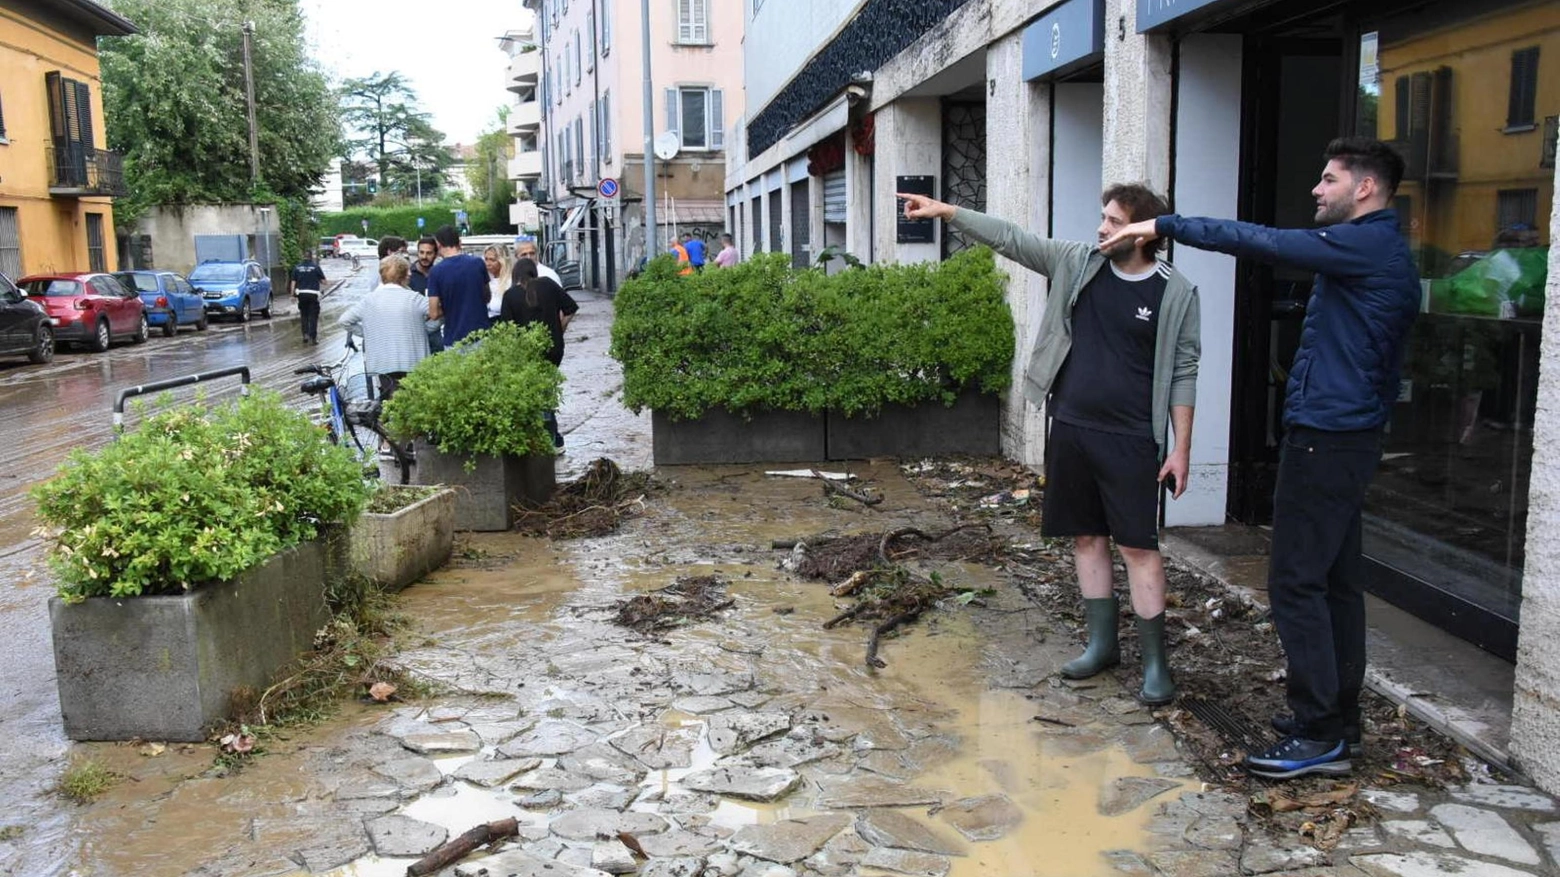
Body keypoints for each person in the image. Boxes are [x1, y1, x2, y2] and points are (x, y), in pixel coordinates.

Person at [1101, 137, 1420, 780]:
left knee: (1296, 582)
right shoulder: (1371, 250)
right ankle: (1340, 722)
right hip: (1344, 434)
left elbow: (1266, 243)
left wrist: (1164, 224)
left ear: (1364, 188)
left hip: (1328, 436)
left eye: (1328, 179)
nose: (1316, 189)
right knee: (1334, 582)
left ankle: (1318, 733)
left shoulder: (1366, 245)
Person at [899, 184, 1201, 708]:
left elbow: (1185, 371)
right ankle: (1102, 644)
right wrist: (948, 212)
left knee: (1138, 547)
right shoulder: (1078, 263)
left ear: (1144, 232)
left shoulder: (1176, 293)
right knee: (1086, 537)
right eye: (1102, 217)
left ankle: (1156, 662)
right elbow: (1015, 240)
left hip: (1133, 438)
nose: (1102, 228)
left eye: (1114, 221)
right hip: (1072, 426)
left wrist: (1181, 449)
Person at [498, 257, 579, 449]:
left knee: (532, 395)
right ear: (534, 272)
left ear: (515, 275)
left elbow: (506, 331)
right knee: (547, 392)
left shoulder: (510, 296)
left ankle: (542, 439)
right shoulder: (548, 285)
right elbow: (571, 309)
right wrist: (560, 328)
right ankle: (553, 437)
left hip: (525, 353)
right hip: (554, 349)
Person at [337, 255, 430, 402]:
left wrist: (368, 333)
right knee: (414, 401)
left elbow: (344, 321)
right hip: (413, 360)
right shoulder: (414, 298)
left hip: (382, 363)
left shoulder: (369, 300)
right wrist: (425, 329)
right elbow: (438, 314)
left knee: (389, 400)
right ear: (405, 275)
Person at [426, 225, 491, 347]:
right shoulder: (477, 263)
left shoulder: (436, 272)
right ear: (459, 242)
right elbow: (487, 296)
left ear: (438, 244)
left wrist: (447, 306)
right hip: (481, 335)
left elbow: (433, 313)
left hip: (454, 338)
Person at [408, 235, 443, 353]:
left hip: (435, 330)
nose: (424, 256)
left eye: (429, 253)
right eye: (421, 252)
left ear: (436, 254)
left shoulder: (439, 273)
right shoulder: (407, 275)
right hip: (413, 330)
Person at [288, 253, 327, 344]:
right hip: (313, 295)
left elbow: (293, 282)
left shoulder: (297, 268)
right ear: (311, 257)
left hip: (301, 295)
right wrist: (319, 280)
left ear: (303, 257)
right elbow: (324, 281)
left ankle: (305, 335)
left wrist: (292, 295)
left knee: (304, 315)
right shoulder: (316, 267)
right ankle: (313, 338)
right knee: (313, 316)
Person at [482, 245, 511, 320]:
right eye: (486, 259)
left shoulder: (510, 282)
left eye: (492, 260)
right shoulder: (484, 281)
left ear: (502, 261)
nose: (488, 263)